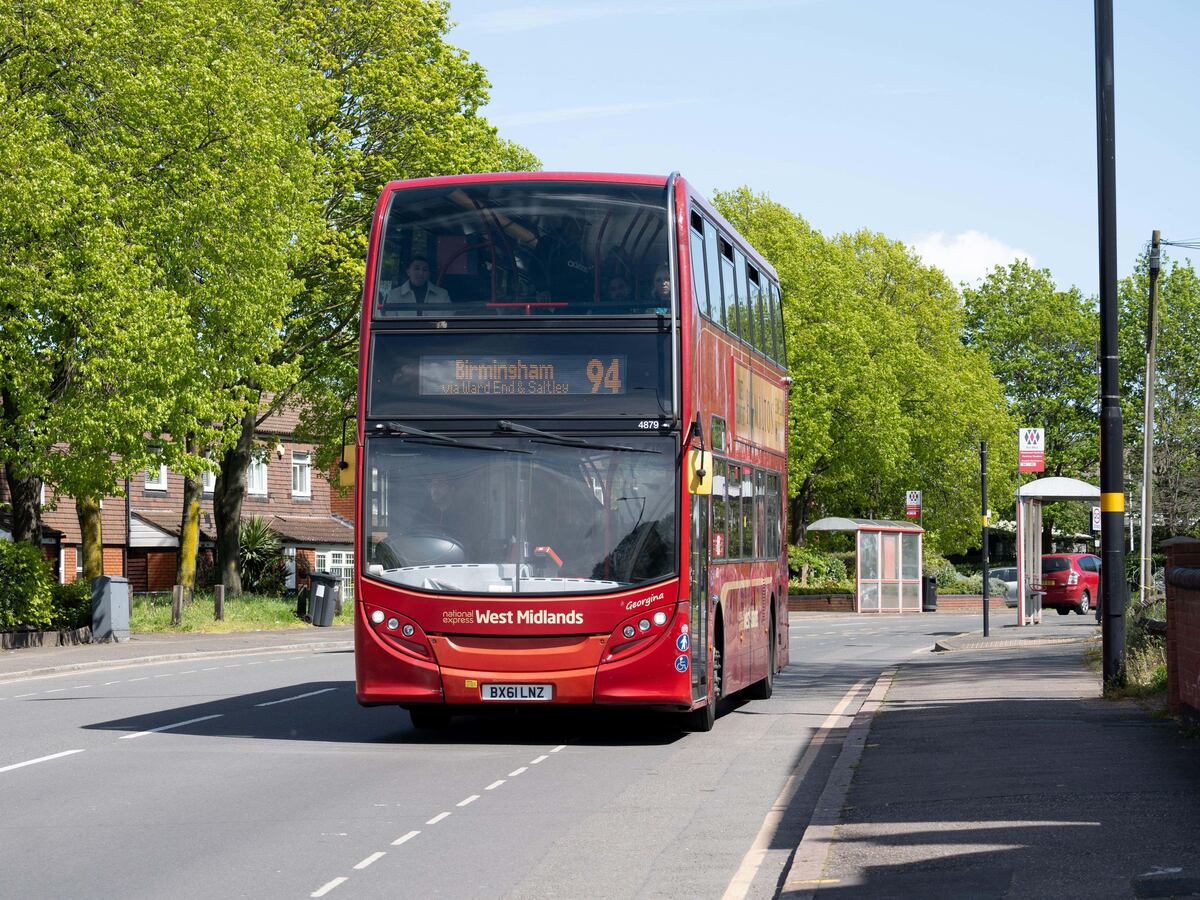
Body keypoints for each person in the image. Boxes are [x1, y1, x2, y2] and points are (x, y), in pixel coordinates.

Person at [377, 255, 450, 315]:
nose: (421, 273)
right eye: (416, 268)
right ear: (408, 272)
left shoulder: (442, 294)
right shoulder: (393, 295)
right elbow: (390, 323)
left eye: (425, 269)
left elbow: (448, 321)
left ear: (429, 274)